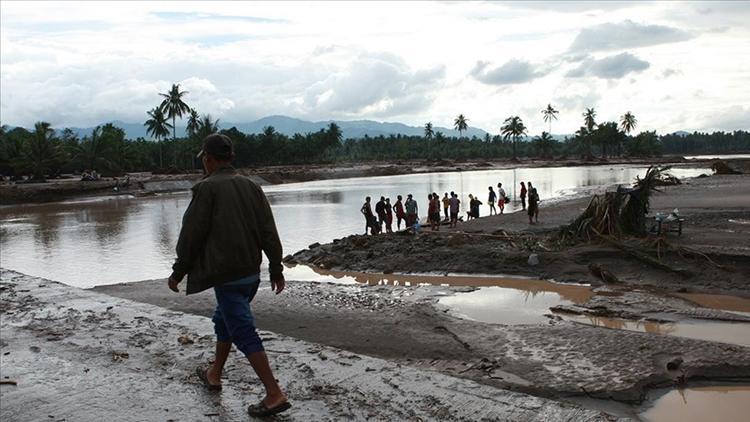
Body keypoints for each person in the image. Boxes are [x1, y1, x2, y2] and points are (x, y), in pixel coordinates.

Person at [167, 134, 291, 417]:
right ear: (230, 157)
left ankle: (274, 393)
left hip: (226, 275)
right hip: (251, 274)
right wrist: (275, 267)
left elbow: (191, 235)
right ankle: (214, 374)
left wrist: (178, 271)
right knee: (225, 320)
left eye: (204, 160)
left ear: (208, 160)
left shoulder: (206, 189)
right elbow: (268, 230)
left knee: (243, 332)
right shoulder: (251, 186)